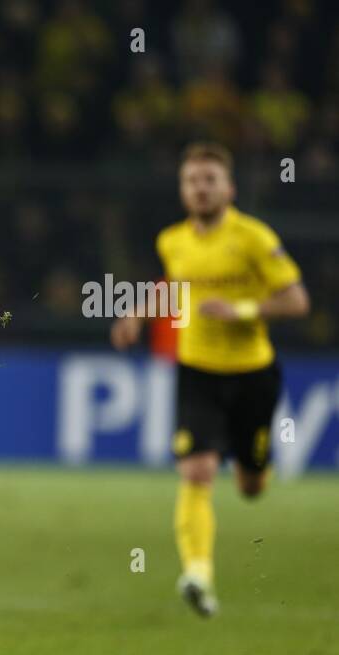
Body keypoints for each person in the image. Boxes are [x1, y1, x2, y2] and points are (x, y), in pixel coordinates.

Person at [111, 142, 309, 616]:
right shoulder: (172, 241)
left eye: (209, 180)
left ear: (229, 188)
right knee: (196, 471)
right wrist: (137, 314)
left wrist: (241, 309)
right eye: (191, 181)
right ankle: (198, 573)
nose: (200, 189)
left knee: (250, 486)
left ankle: (255, 466)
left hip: (253, 375)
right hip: (197, 371)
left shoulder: (255, 238)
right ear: (183, 190)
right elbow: (177, 288)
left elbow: (297, 300)